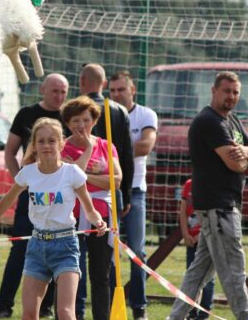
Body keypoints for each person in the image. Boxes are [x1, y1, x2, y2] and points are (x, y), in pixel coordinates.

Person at [0, 117, 107, 320]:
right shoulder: (28, 173)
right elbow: (7, 200)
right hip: (37, 246)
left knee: (65, 313)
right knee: (28, 314)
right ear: (34, 145)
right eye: (41, 141)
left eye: (52, 140)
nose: (46, 145)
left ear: (62, 143)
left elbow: (89, 209)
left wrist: (98, 221)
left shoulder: (72, 173)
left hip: (66, 246)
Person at [168, 71, 248, 320]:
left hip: (224, 206)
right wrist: (245, 157)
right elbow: (237, 165)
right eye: (227, 91)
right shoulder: (210, 121)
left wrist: (242, 150)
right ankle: (246, 317)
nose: (231, 96)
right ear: (214, 91)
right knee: (233, 269)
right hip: (218, 208)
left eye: (235, 92)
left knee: (199, 272)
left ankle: (174, 318)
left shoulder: (232, 121)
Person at [0, 73, 69, 319]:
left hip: (58, 197)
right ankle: (4, 306)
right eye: (55, 91)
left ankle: (46, 306)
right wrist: (21, 183)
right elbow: (10, 152)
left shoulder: (68, 118)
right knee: (20, 249)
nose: (59, 96)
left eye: (63, 92)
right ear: (43, 90)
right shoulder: (25, 114)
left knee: (57, 247)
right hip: (31, 197)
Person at [77, 63, 133, 319]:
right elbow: (129, 157)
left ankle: (76, 311)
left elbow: (122, 163)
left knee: (76, 265)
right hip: (108, 200)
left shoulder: (74, 107)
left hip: (89, 198)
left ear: (82, 81)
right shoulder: (120, 110)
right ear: (103, 83)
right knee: (104, 267)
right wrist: (127, 197)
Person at [61, 96, 122, 320]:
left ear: (94, 120)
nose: (81, 125)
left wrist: (86, 175)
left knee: (100, 274)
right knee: (70, 272)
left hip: (101, 217)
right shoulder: (61, 147)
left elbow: (116, 181)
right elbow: (67, 180)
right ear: (68, 123)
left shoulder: (107, 146)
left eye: (86, 120)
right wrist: (94, 175)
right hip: (70, 217)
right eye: (75, 120)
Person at [108, 70, 157, 320]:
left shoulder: (146, 114)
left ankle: (139, 307)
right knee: (108, 251)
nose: (117, 94)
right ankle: (107, 305)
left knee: (137, 251)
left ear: (132, 89)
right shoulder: (105, 112)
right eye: (113, 90)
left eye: (121, 90)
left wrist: (113, 153)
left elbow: (146, 145)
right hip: (107, 190)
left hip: (135, 190)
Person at [179, 179, 215, 320]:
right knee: (191, 275)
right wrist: (185, 233)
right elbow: (182, 211)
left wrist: (202, 235)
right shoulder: (188, 184)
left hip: (206, 238)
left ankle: (204, 312)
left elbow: (212, 214)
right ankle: (191, 311)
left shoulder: (211, 185)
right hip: (191, 240)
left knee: (207, 278)